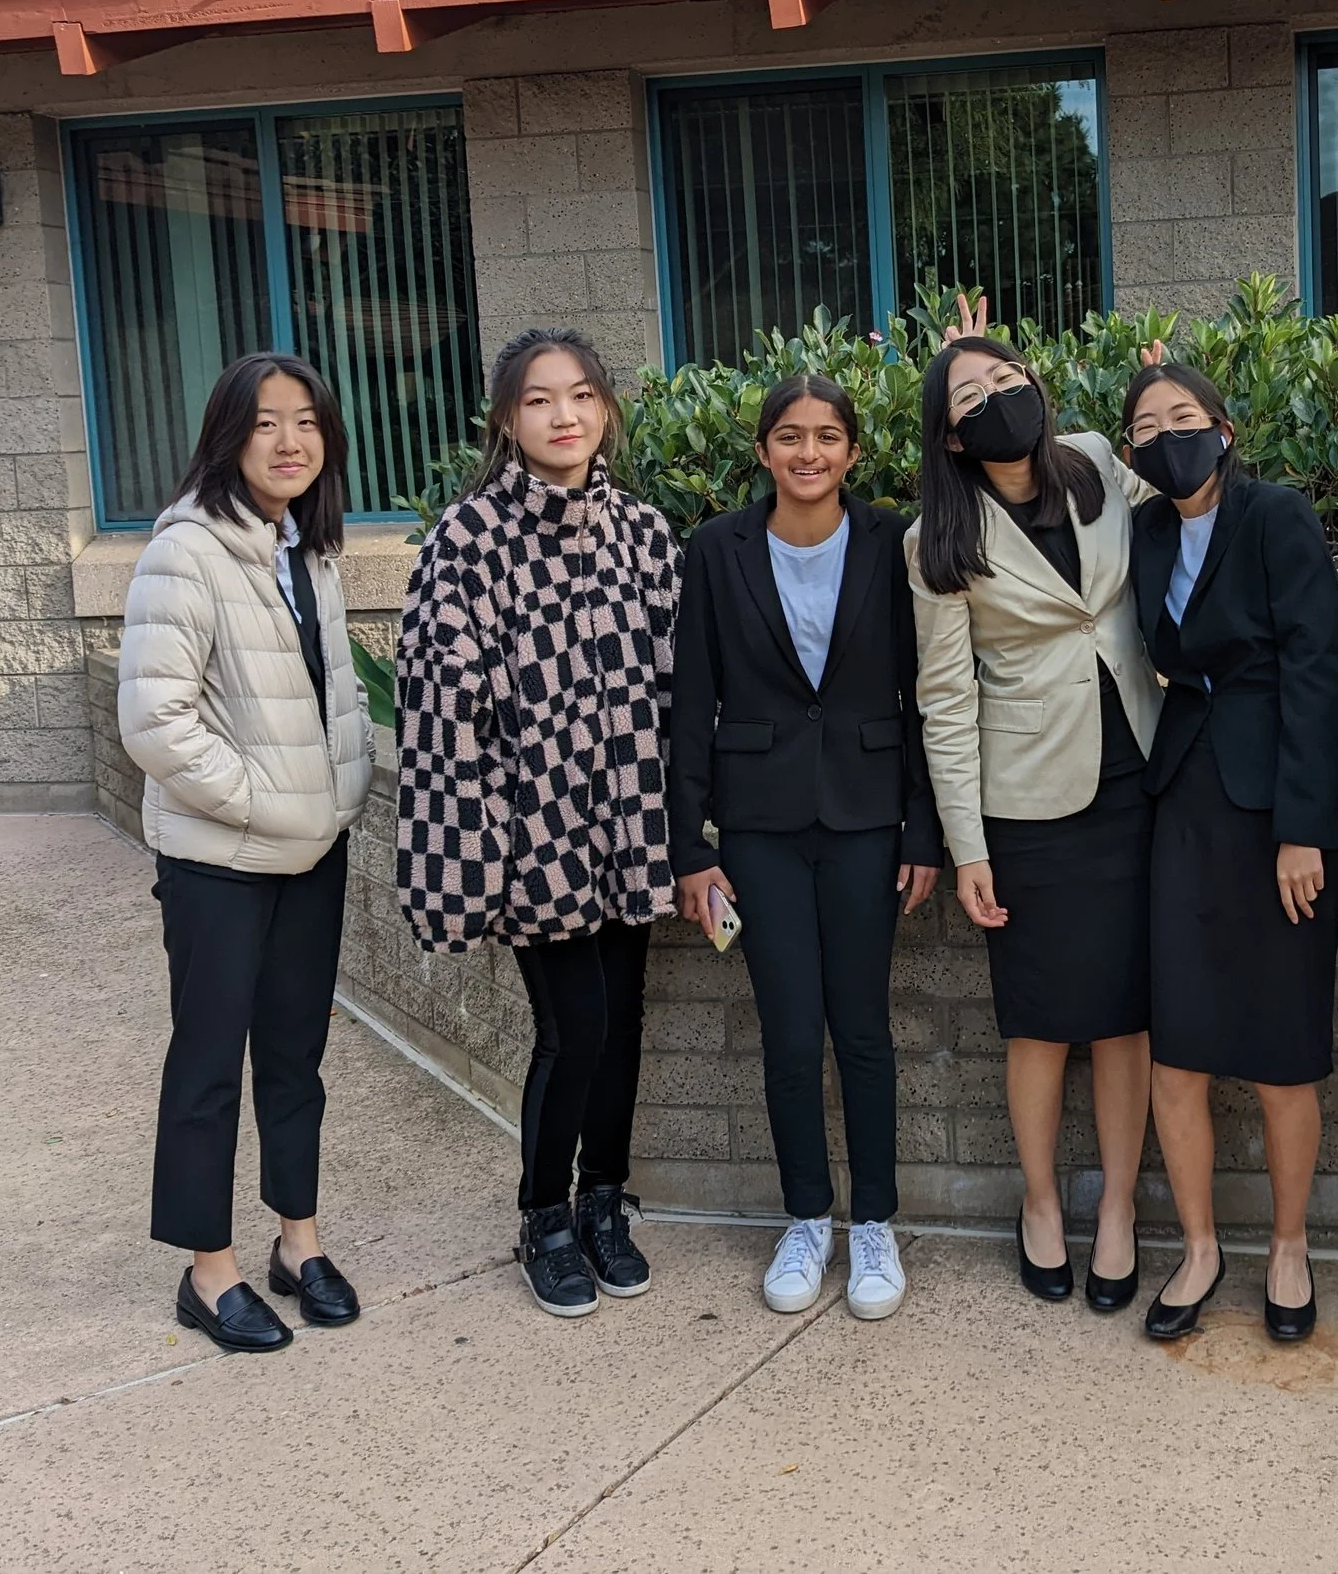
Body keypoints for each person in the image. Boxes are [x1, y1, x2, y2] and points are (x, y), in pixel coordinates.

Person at [397, 326, 682, 1319]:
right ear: (506, 420)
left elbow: (680, 686)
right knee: (576, 1029)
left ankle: (604, 1201)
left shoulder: (644, 535)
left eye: (581, 396)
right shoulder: (467, 539)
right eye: (538, 400)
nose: (564, 416)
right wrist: (473, 854)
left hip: (634, 822)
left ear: (605, 408)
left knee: (626, 1021)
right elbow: (440, 714)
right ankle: (544, 1217)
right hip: (535, 837)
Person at [669, 373, 943, 1321]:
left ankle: (874, 1223)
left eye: (829, 436)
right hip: (760, 826)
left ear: (853, 452)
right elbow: (690, 705)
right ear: (763, 450)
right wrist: (690, 850)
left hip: (869, 818)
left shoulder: (891, 540)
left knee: (861, 1029)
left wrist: (924, 828)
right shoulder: (716, 548)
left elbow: (924, 695)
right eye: (791, 436)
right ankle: (806, 1218)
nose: (810, 453)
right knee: (788, 1030)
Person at [121, 351, 374, 1353]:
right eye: (266, 422)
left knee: (294, 1059)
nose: (289, 441)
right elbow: (155, 723)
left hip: (311, 853)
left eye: (306, 421)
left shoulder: (307, 549)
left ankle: (297, 1244)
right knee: (208, 1063)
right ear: (227, 435)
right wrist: (267, 804)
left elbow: (332, 698)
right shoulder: (185, 550)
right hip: (220, 862)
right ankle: (207, 1270)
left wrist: (335, 798)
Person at [907, 328, 1161, 1312]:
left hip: (1139, 779)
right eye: (970, 393)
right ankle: (1044, 1205)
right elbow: (945, 698)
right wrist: (965, 843)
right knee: (1044, 1026)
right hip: (1029, 806)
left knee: (1127, 1019)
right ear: (953, 436)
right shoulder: (935, 537)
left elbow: (1189, 515)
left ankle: (1119, 1216)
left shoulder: (1098, 460)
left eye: (1008, 377)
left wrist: (1163, 398)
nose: (997, 396)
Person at [1120, 357, 1338, 1343]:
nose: (1165, 434)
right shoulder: (1140, 527)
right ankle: (1202, 1246)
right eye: (1145, 425)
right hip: (1181, 801)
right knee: (1178, 1046)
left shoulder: (1277, 516)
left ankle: (1289, 1245)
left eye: (1183, 416)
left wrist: (1304, 828)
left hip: (1274, 812)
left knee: (1278, 1050)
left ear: (1222, 427)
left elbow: (1318, 667)